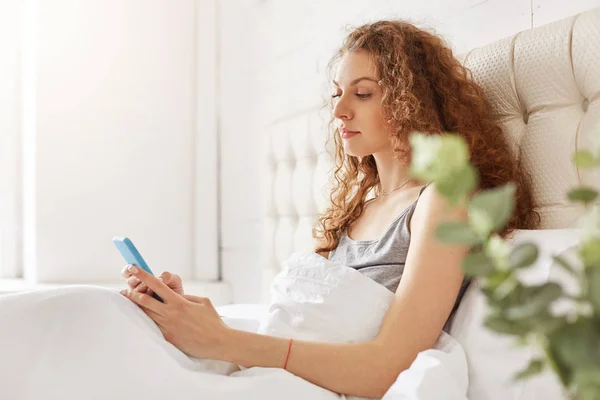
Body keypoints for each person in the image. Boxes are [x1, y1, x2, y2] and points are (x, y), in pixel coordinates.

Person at [122, 20, 540, 399]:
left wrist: (222, 341)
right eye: (337, 94)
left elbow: (389, 366)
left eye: (362, 94)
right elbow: (306, 327)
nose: (339, 111)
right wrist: (196, 320)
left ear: (412, 100)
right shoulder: (356, 210)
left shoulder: (443, 199)